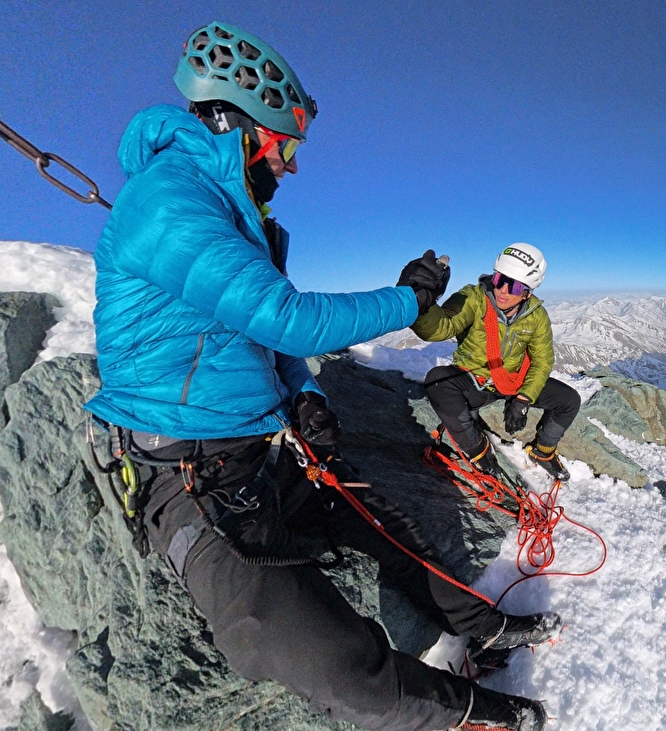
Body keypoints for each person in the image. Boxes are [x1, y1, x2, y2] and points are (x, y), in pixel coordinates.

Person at [85, 22, 552, 731]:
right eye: (287, 147)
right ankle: (471, 713)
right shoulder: (169, 202)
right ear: (242, 130)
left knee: (383, 523)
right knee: (328, 660)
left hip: (247, 461)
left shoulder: (227, 214)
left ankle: (479, 626)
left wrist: (301, 395)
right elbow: (287, 318)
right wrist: (409, 299)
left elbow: (259, 336)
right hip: (179, 477)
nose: (292, 168)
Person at [414, 244, 580, 483]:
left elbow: (543, 360)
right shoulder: (473, 298)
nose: (502, 289)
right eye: (499, 279)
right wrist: (418, 300)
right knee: (438, 381)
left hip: (513, 380)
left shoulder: (536, 315)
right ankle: (479, 451)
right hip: (476, 379)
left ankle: (543, 451)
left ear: (527, 293)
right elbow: (441, 328)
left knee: (569, 400)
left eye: (514, 285)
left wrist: (524, 398)